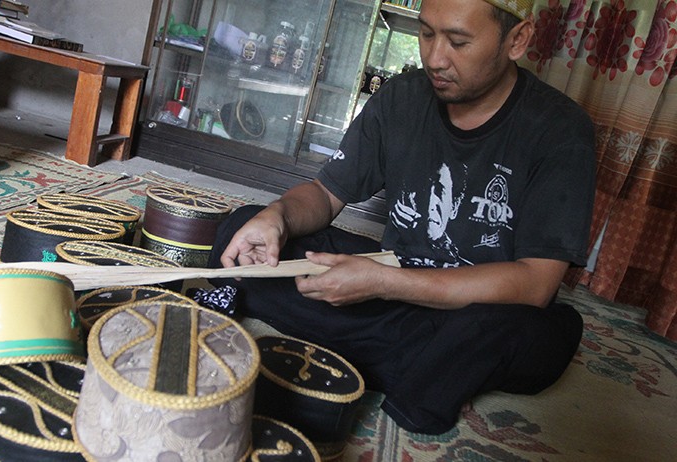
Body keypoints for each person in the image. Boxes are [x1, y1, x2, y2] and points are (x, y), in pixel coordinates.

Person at [208, 0, 596, 435]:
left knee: (528, 333)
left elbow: (535, 283)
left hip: (473, 310)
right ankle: (417, 369)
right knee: (239, 228)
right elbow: (324, 194)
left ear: (517, 40)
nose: (435, 57)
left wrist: (384, 283)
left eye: (458, 42)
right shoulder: (402, 96)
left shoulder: (560, 130)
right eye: (426, 34)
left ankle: (399, 358)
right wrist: (277, 217)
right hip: (393, 290)